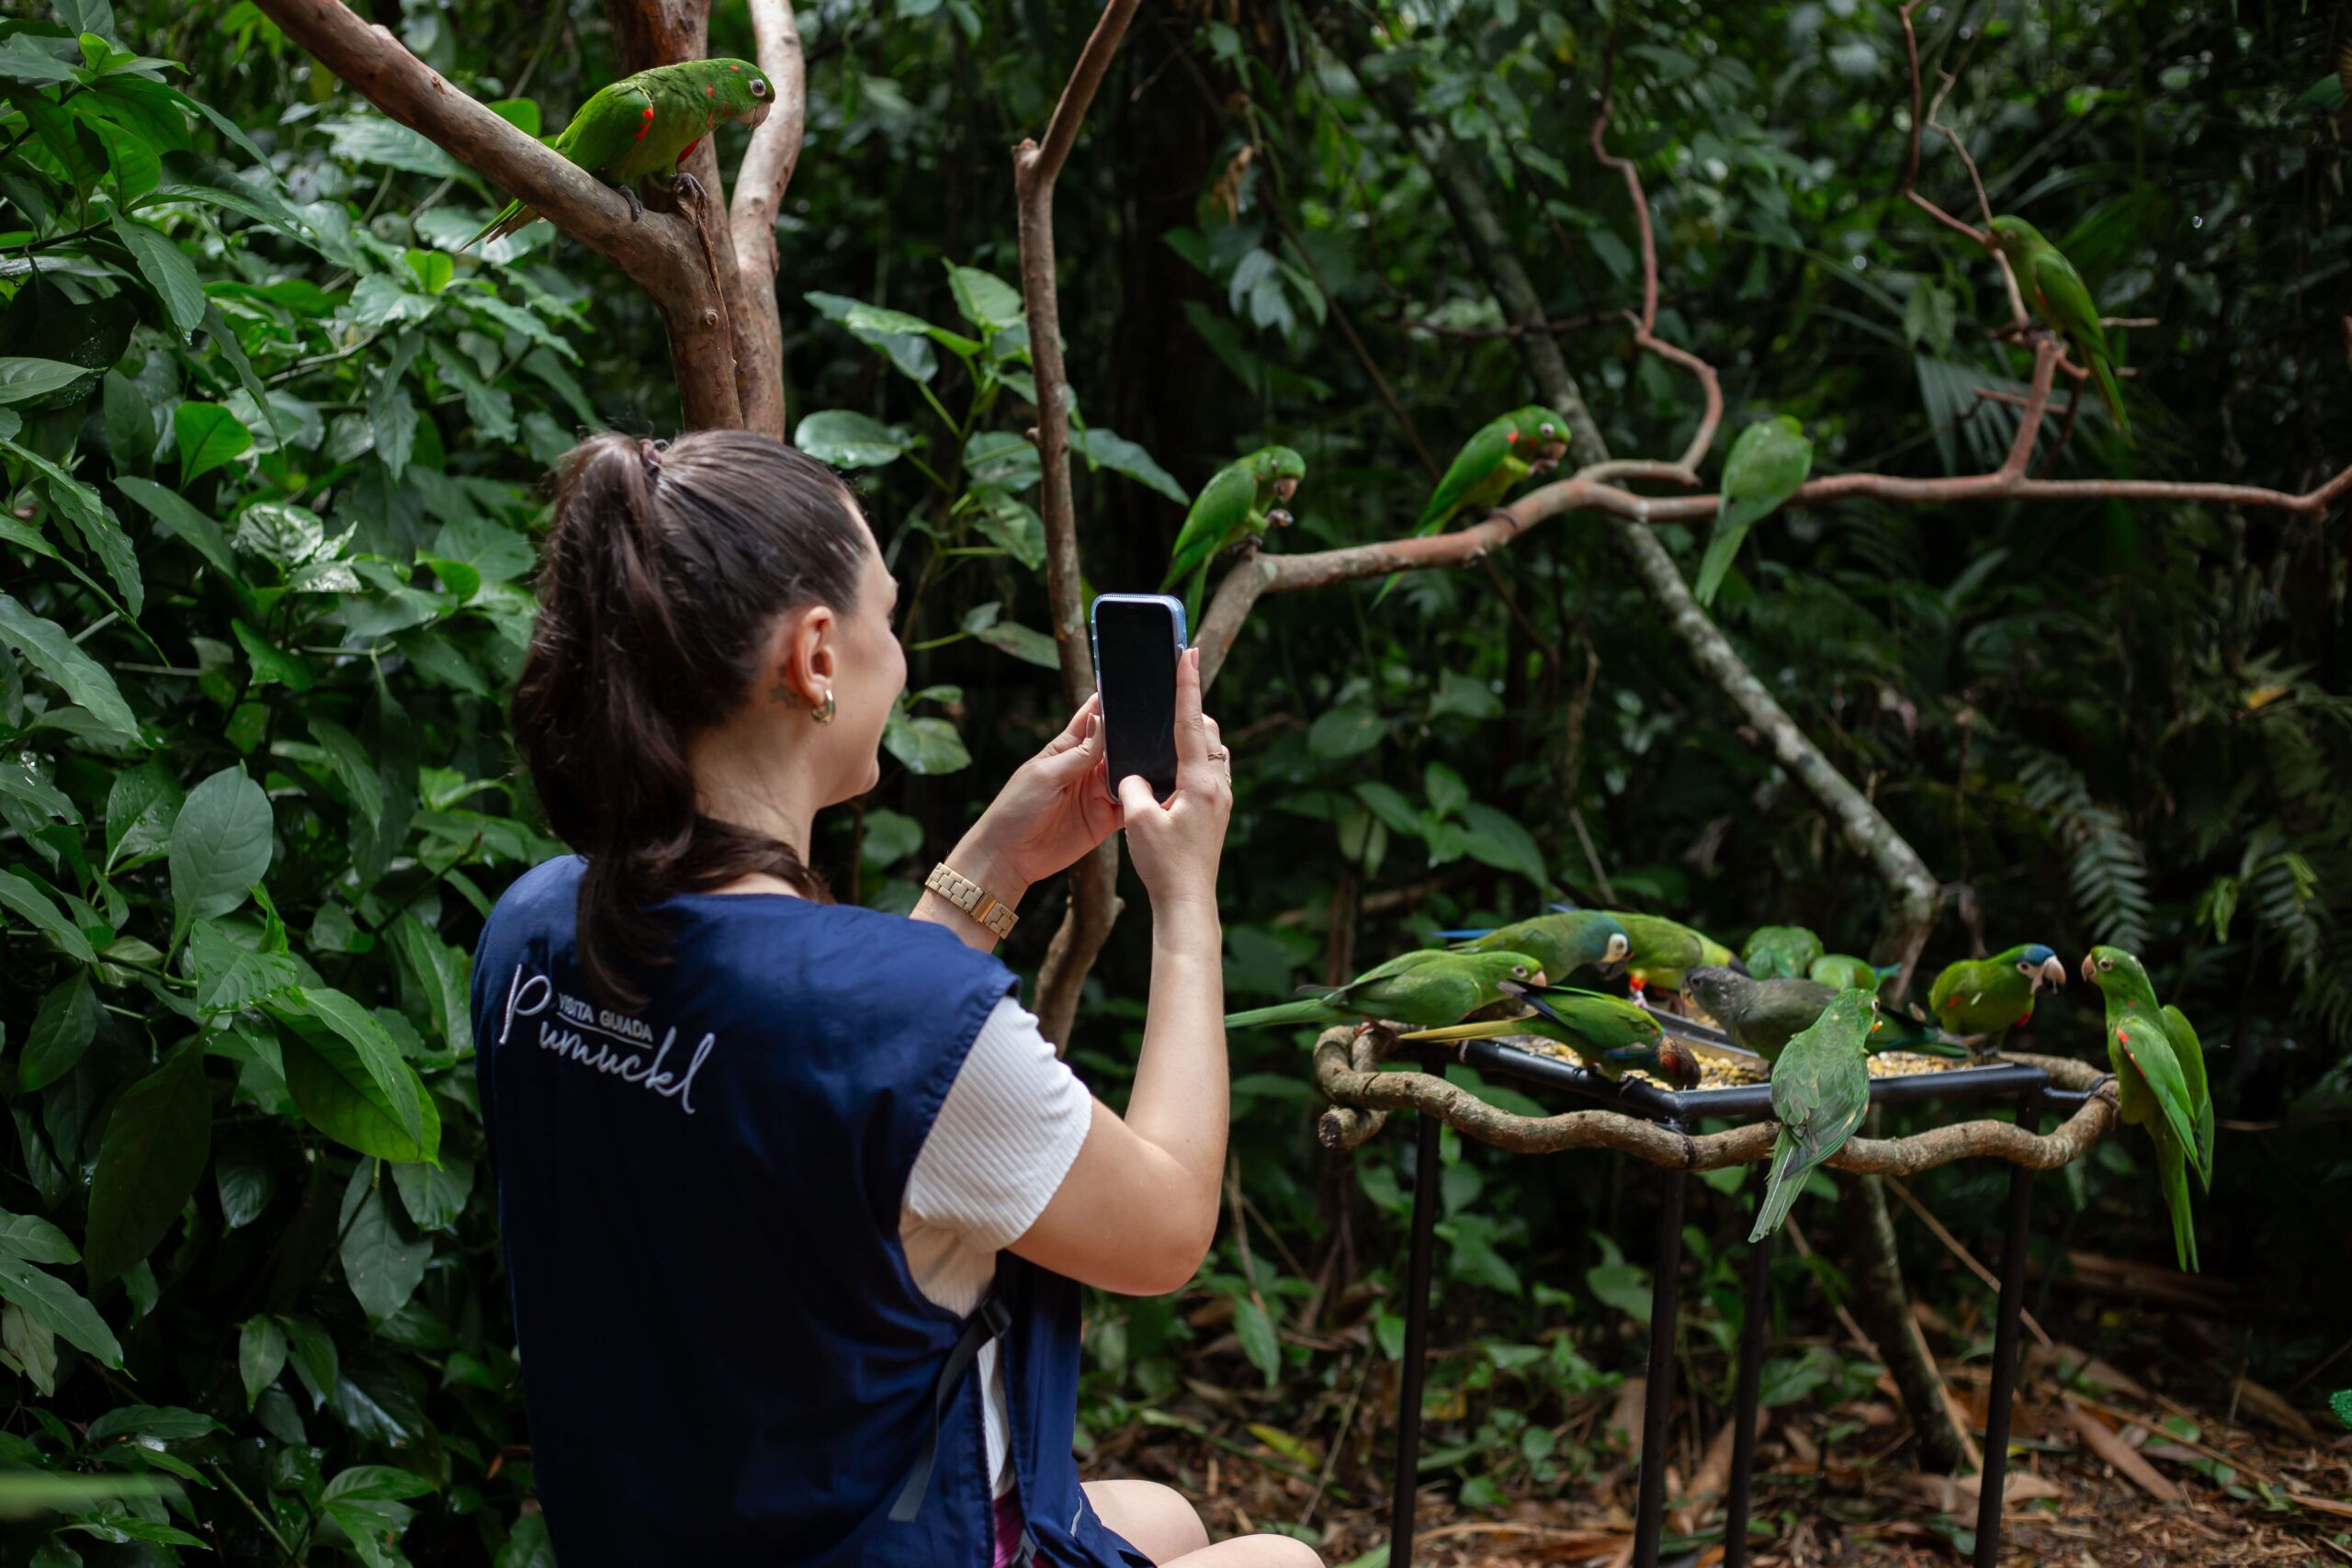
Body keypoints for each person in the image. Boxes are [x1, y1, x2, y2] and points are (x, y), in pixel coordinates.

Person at [469, 429, 1319, 1568]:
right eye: (888, 614)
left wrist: (994, 869)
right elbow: (1164, 1233)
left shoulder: (535, 928)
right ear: (818, 656)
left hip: (675, 1524)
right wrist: (1188, 907)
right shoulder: (889, 1019)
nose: (899, 652)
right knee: (1282, 1563)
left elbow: (820, 1080)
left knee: (1162, 1517)